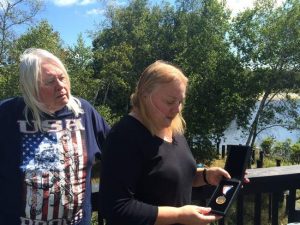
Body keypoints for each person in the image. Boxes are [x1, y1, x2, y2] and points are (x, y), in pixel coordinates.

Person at [99, 60, 233, 225]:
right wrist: (178, 215)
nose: (177, 109)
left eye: (180, 101)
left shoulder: (174, 129)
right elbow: (116, 208)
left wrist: (205, 175)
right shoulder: (124, 135)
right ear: (145, 95)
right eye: (170, 102)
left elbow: (169, 178)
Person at [0, 48, 110, 225]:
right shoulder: (6, 115)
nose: (60, 86)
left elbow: (119, 153)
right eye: (50, 81)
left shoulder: (84, 112)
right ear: (31, 88)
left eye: (62, 77)